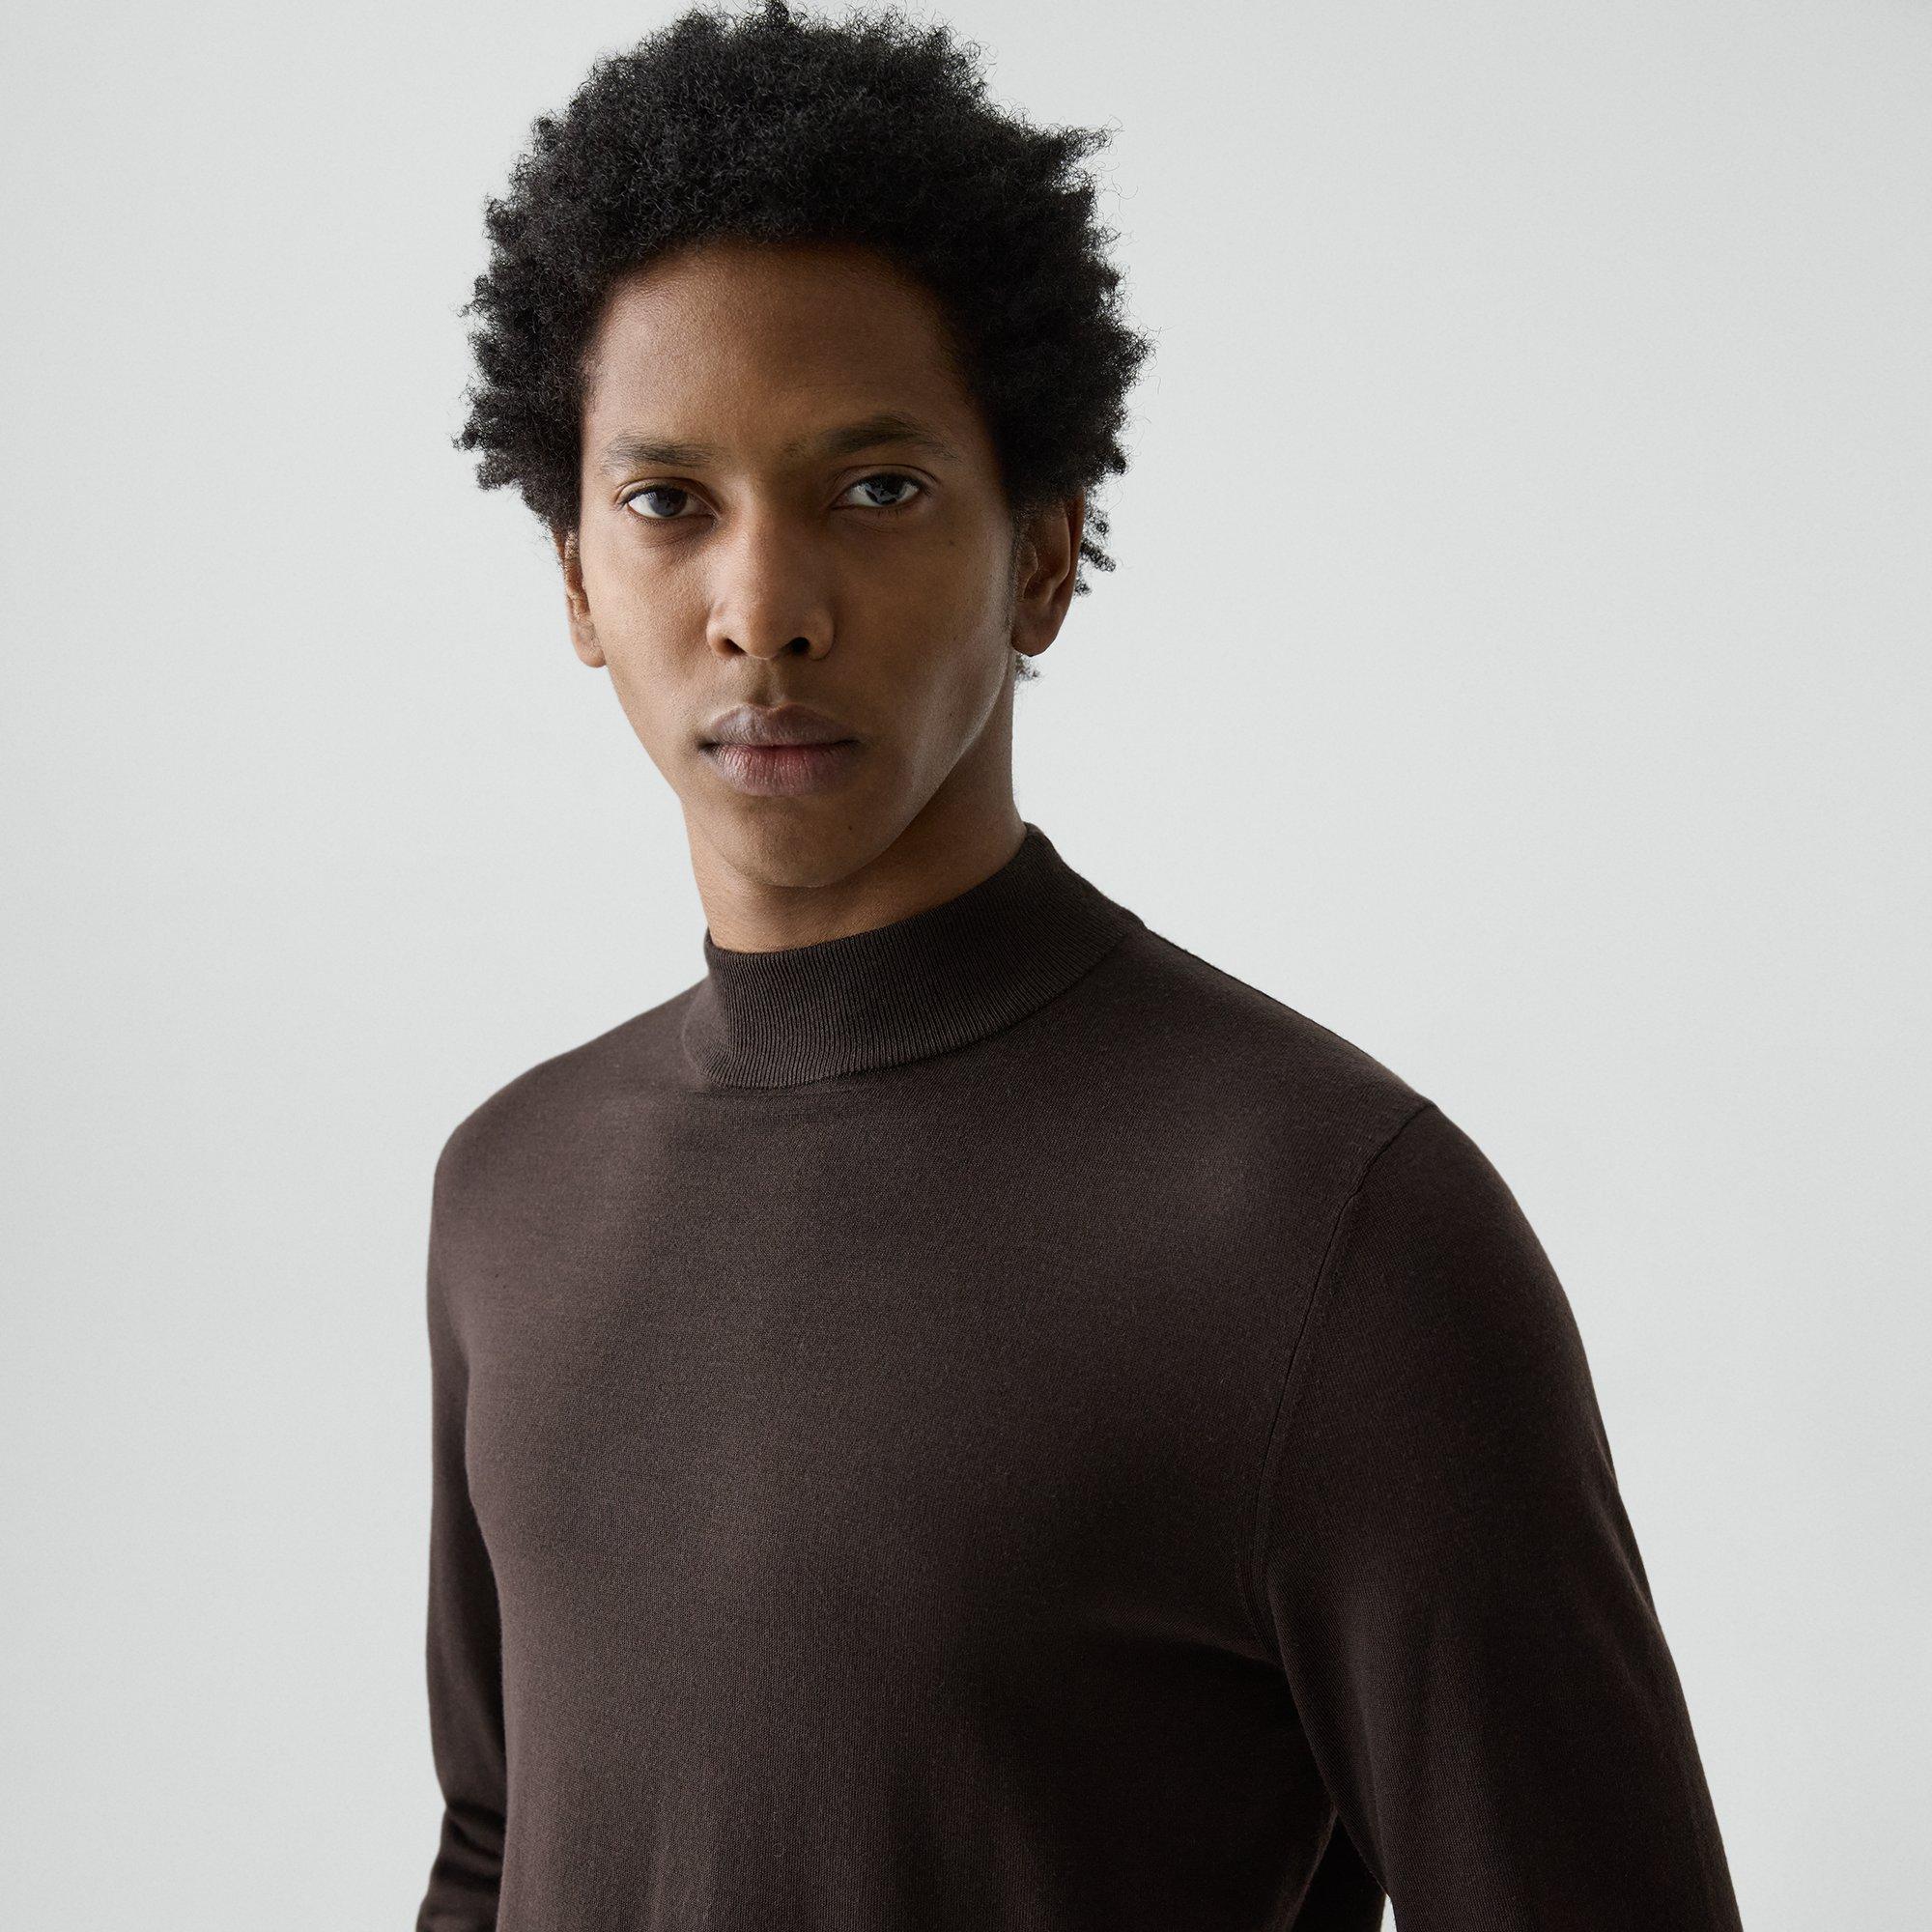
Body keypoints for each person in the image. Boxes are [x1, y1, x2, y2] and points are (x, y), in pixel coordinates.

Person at [416, 4, 1745, 1927]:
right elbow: (494, 1848)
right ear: (573, 579)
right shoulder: (510, 1189)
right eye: (667, 502)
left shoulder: (1326, 1228)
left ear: (1042, 555)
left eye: (876, 487)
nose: (763, 610)